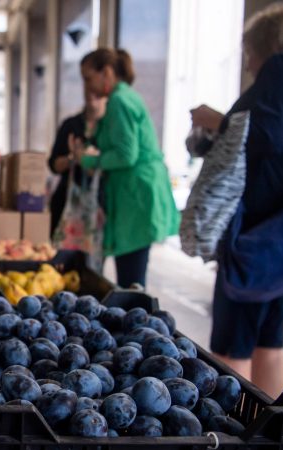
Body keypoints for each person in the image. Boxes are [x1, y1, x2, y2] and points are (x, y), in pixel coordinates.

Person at [190, 3, 283, 398]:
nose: (250, 64)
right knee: (269, 340)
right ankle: (271, 433)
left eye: (250, 52)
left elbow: (267, 135)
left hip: (256, 232)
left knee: (230, 345)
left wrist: (216, 121)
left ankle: (233, 441)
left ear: (265, 44)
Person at [79, 48, 180, 288]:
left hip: (134, 196)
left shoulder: (119, 101)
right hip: (136, 194)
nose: (87, 86)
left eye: (88, 78)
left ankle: (135, 323)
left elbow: (126, 155)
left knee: (131, 282)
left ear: (106, 72)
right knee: (132, 276)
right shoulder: (126, 97)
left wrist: (89, 160)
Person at [48, 89, 107, 268]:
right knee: (60, 262)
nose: (92, 96)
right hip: (66, 204)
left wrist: (93, 162)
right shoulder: (71, 125)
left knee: (92, 265)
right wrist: (74, 157)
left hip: (98, 205)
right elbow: (53, 164)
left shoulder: (109, 128)